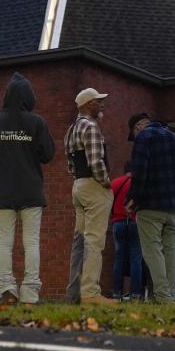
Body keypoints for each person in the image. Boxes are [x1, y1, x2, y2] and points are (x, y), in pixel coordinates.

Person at [0, 72, 55, 306]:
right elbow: (48, 154)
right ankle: (30, 293)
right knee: (31, 242)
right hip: (31, 190)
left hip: (4, 189)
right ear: (29, 96)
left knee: (4, 242)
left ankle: (6, 289)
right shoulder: (37, 122)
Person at [125, 113, 175, 303]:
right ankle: (170, 294)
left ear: (138, 127)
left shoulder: (144, 138)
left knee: (152, 249)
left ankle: (162, 295)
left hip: (150, 205)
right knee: (170, 250)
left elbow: (139, 170)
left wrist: (133, 198)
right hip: (173, 206)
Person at [64, 88, 117, 305]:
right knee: (95, 241)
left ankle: (74, 294)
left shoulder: (71, 129)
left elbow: (70, 165)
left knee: (80, 242)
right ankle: (90, 293)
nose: (101, 105)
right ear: (87, 105)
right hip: (94, 187)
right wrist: (106, 183)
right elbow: (96, 162)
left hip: (78, 185)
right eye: (98, 102)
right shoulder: (91, 127)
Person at [110, 163, 143, 300]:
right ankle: (135, 293)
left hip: (118, 222)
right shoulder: (139, 184)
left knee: (118, 259)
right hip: (135, 222)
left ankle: (116, 293)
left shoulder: (115, 183)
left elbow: (108, 202)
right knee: (136, 258)